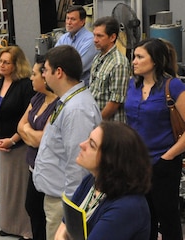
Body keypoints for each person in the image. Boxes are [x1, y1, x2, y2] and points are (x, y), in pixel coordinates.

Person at [32, 45, 101, 240]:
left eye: (45, 70)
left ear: (59, 72)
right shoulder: (68, 102)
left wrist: (71, 210)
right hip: (57, 198)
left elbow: (78, 164)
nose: (43, 75)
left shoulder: (77, 109)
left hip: (64, 203)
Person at [124, 38, 185, 240]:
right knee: (142, 219)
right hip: (135, 165)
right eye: (134, 57)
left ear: (156, 61)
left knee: (168, 220)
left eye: (140, 57)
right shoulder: (132, 86)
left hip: (163, 164)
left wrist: (167, 158)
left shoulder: (173, 86)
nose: (134, 61)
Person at [55, 121, 152, 240]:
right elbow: (65, 225)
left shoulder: (127, 207)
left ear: (110, 160)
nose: (82, 145)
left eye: (92, 145)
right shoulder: (91, 180)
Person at [0, 46, 35, 239]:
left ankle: (24, 228)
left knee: (20, 188)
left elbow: (28, 117)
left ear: (17, 65)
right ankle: (8, 224)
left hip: (19, 145)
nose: (2, 65)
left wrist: (12, 140)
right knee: (6, 187)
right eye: (1, 61)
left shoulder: (25, 86)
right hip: (1, 144)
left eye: (7, 62)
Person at [18, 55, 59, 240]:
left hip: (50, 169)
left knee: (45, 215)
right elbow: (20, 126)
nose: (31, 78)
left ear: (46, 76)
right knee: (32, 207)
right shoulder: (37, 98)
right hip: (33, 165)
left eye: (34, 74)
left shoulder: (59, 104)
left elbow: (40, 140)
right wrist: (29, 132)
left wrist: (28, 131)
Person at [89, 16, 130, 122]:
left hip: (110, 126)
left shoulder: (119, 63)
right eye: (94, 35)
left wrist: (98, 122)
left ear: (112, 37)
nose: (95, 40)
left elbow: (115, 102)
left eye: (99, 36)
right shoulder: (97, 58)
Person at [55, 5, 98, 86]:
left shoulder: (90, 40)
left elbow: (77, 68)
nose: (69, 22)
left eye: (73, 19)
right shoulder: (63, 38)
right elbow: (53, 61)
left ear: (82, 22)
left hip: (81, 88)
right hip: (63, 86)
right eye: (67, 18)